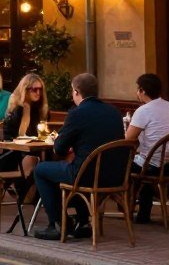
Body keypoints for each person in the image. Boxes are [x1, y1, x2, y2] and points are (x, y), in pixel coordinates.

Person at [32, 73, 125, 241]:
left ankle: (57, 224)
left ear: (76, 92)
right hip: (116, 176)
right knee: (73, 167)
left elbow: (59, 149)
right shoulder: (114, 112)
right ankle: (82, 223)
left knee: (41, 169)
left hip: (87, 175)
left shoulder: (77, 113)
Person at [126, 73, 169, 224]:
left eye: (138, 89)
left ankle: (127, 208)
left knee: (126, 166)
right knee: (145, 162)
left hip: (154, 166)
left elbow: (128, 139)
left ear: (143, 91)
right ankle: (143, 213)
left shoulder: (144, 111)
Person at [0, 72, 49, 179]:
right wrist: (26, 112)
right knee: (34, 161)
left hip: (34, 152)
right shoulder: (16, 110)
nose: (38, 93)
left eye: (40, 90)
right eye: (34, 89)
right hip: (12, 155)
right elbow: (12, 137)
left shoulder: (40, 109)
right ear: (25, 90)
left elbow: (42, 134)